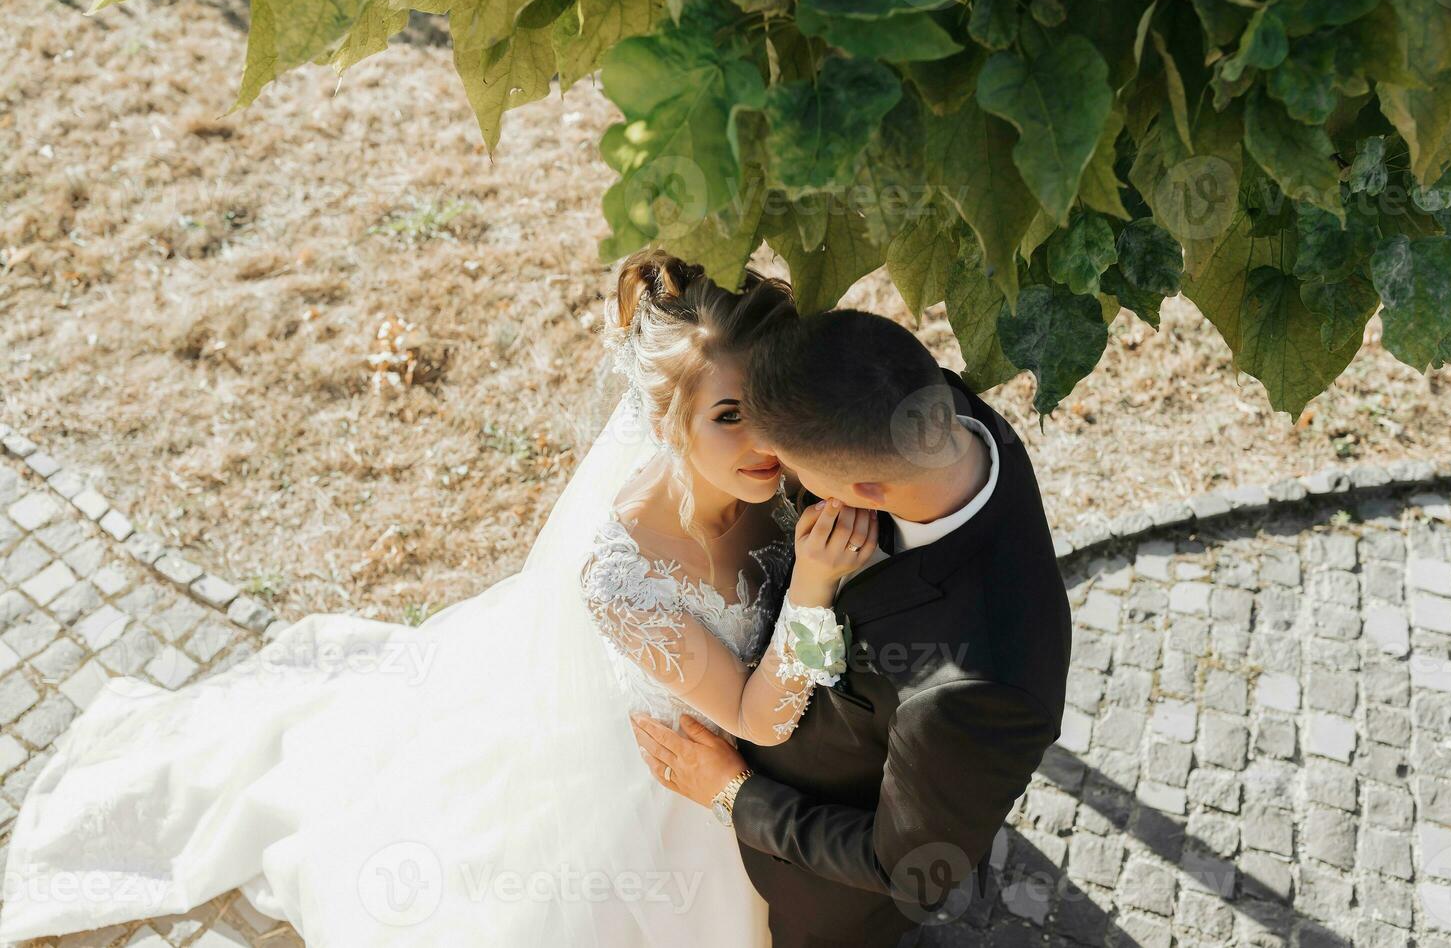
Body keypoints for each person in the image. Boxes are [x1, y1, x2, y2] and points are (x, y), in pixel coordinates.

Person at [0, 250, 872, 947]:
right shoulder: (622, 574)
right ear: (667, 419)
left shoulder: (780, 484)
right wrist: (814, 584)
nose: (763, 439)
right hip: (655, 785)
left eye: (772, 405)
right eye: (729, 416)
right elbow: (759, 720)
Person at [632, 309, 1074, 948]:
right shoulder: (929, 409)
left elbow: (906, 869)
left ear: (864, 487)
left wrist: (733, 794)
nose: (773, 468)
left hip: (822, 898)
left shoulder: (977, 692)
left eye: (792, 466)